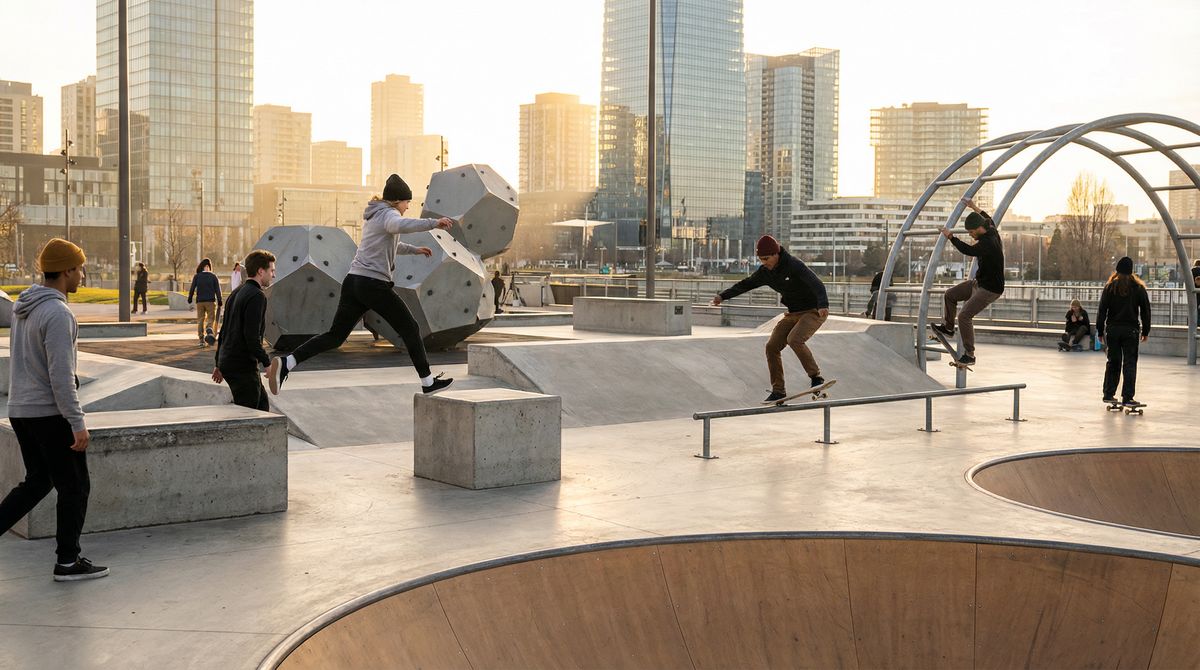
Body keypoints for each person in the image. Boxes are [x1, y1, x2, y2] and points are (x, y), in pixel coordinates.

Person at [266, 174, 456, 396]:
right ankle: (427, 382)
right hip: (373, 285)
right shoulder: (390, 214)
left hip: (353, 282)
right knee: (410, 328)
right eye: (407, 203)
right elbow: (399, 225)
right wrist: (434, 223)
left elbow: (389, 242)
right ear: (397, 201)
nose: (407, 207)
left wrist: (415, 250)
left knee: (335, 336)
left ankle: (288, 363)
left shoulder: (375, 215)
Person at [0, 239, 108, 582]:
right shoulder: (58, 313)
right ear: (66, 271)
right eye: (79, 269)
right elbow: (61, 375)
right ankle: (67, 561)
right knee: (75, 486)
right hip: (49, 412)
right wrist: (77, 422)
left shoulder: (24, 307)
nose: (82, 276)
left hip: (21, 409)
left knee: (38, 482)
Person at [711, 235, 829, 403]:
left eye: (767, 258)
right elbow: (746, 284)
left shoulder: (794, 265)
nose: (764, 262)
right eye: (761, 259)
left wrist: (823, 304)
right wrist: (722, 296)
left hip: (813, 311)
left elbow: (816, 283)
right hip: (792, 313)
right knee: (772, 347)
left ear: (776, 254)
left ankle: (816, 377)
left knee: (794, 339)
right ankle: (778, 391)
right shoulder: (765, 272)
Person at [932, 197, 1005, 367]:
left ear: (979, 229)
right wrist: (974, 207)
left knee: (964, 316)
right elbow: (989, 218)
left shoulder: (989, 243)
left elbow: (968, 250)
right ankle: (948, 328)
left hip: (990, 289)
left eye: (972, 232)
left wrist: (952, 237)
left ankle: (970, 354)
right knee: (950, 295)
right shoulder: (991, 229)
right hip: (978, 283)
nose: (971, 235)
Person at [212, 250, 276, 411]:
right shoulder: (256, 296)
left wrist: (219, 362)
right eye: (272, 270)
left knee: (262, 406)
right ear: (261, 271)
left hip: (230, 362)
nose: (273, 275)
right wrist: (267, 363)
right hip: (242, 366)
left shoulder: (236, 293)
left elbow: (224, 331)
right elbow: (251, 337)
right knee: (249, 414)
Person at [1097, 256, 1151, 406]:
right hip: (1131, 331)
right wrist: (1146, 331)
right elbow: (1146, 311)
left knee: (1113, 361)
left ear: (1117, 270)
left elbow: (1102, 310)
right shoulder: (1138, 288)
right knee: (1129, 363)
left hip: (1113, 330)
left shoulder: (1110, 287)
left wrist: (1100, 331)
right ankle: (1127, 397)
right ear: (1131, 271)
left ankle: (1108, 393)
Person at [187, 258, 223, 347]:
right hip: (210, 301)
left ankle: (201, 340)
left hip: (200, 302)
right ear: (208, 267)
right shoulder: (213, 276)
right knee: (211, 318)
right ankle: (209, 328)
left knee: (200, 320)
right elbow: (218, 290)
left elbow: (192, 288)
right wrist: (220, 300)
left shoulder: (197, 276)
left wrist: (190, 298)